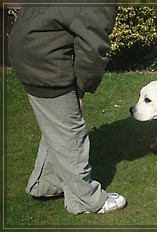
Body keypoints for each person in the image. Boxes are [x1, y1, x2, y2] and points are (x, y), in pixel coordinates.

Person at [8, 6, 126, 214]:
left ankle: (45, 184)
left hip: (27, 52)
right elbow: (93, 50)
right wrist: (81, 88)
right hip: (45, 62)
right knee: (71, 133)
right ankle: (86, 200)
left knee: (55, 125)